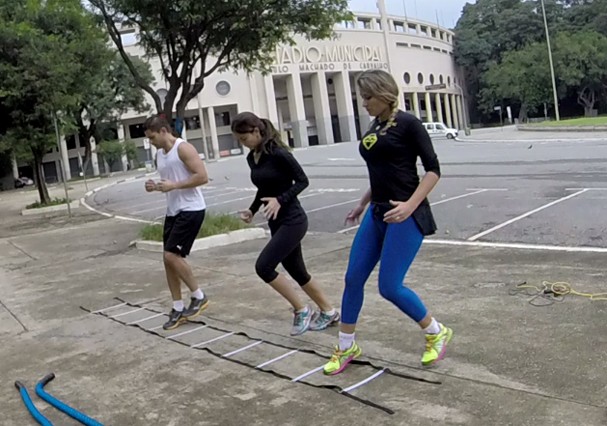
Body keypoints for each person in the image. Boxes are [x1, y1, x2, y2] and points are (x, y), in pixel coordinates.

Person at [323, 70, 453, 375]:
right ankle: (345, 346)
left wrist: (410, 205)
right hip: (377, 212)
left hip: (405, 214)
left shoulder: (409, 123)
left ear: (385, 94)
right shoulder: (376, 124)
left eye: (368, 97)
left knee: (389, 286)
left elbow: (433, 170)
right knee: (353, 278)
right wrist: (363, 202)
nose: (364, 103)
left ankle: (435, 331)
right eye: (362, 97)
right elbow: (382, 170)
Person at [231, 111, 340, 336]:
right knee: (297, 271)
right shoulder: (253, 157)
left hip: (293, 220)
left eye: (244, 139)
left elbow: (302, 181)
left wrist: (281, 200)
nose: (243, 144)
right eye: (239, 141)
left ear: (256, 131)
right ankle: (329, 312)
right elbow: (264, 187)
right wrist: (252, 210)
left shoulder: (279, 153)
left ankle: (301, 310)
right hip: (275, 221)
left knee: (264, 267)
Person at [143, 114, 210, 330]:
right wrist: (154, 186)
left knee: (171, 255)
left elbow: (202, 176)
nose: (151, 142)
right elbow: (169, 180)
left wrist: (175, 185)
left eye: (152, 137)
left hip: (191, 209)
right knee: (168, 260)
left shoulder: (183, 148)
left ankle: (199, 296)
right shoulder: (160, 155)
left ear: (164, 131)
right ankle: (178, 307)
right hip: (173, 211)